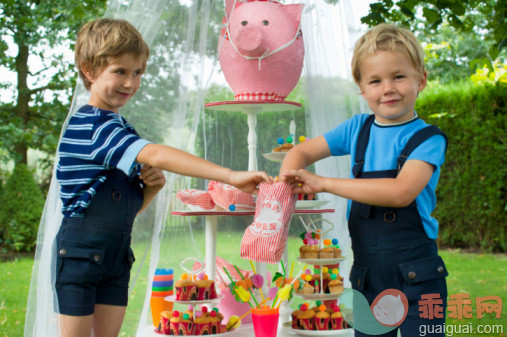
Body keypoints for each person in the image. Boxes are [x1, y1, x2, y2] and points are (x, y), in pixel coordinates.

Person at [54, 18, 271, 337]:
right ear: (89, 70)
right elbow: (155, 154)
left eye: (137, 72)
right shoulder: (90, 125)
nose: (130, 83)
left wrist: (151, 191)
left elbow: (122, 211)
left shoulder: (120, 129)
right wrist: (230, 175)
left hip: (115, 254)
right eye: (120, 71)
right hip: (80, 255)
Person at [281, 23, 448, 336]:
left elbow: (400, 193)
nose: (388, 88)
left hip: (418, 276)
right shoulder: (357, 128)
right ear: (361, 87)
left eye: (398, 76)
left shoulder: (428, 139)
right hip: (367, 275)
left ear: (421, 79)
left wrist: (325, 183)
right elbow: (300, 152)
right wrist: (283, 186)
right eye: (375, 80)